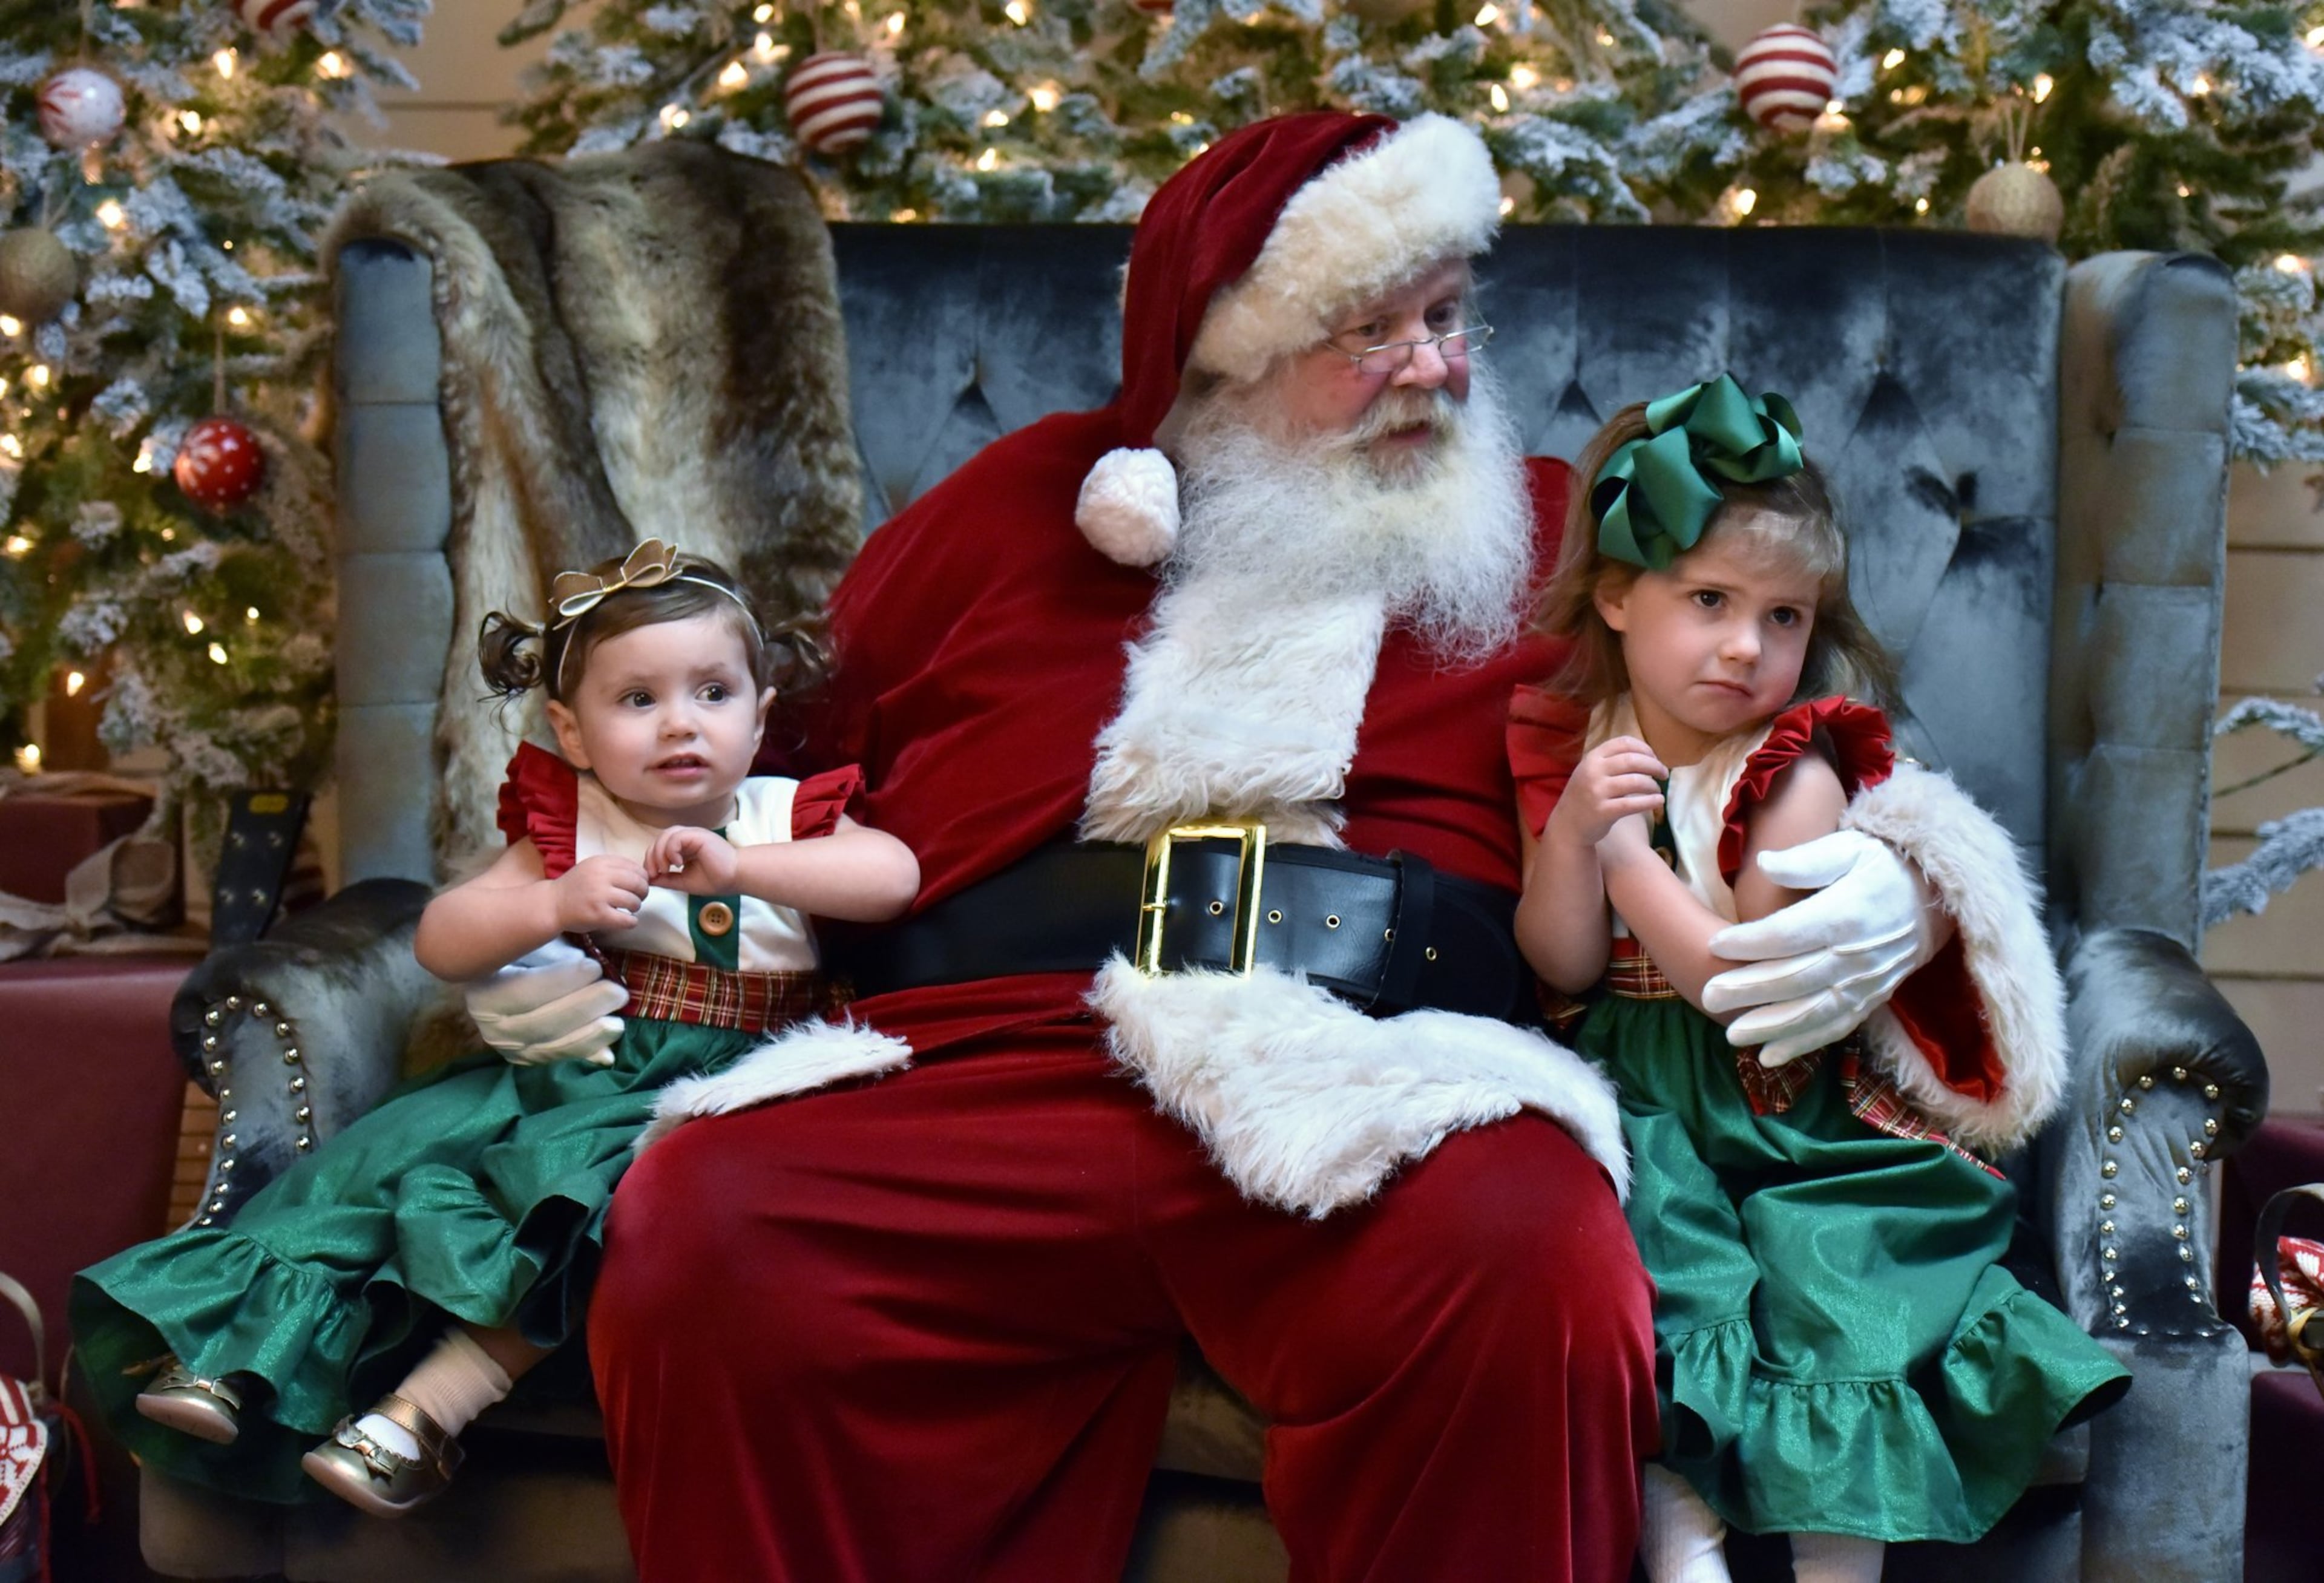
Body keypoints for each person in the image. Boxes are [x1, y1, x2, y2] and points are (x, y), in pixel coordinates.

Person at [467, 113, 2067, 1582]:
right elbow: (745, 763)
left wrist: (1909, 874)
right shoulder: (1009, 513)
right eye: (1370, 331)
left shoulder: (1551, 533)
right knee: (711, 1228)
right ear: (1223, 354)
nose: (1433, 367)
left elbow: (1764, 713)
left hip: (1396, 1067)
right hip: (983, 1056)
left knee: (1532, 1252)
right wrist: (556, 917)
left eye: (1448, 316)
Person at [71, 542, 918, 1518]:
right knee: (381, 1157)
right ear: (572, 731)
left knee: (567, 1205)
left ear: (759, 716)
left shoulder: (784, 817)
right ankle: (230, 1357)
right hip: (575, 1065)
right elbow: (443, 938)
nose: (681, 723)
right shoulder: (571, 827)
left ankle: (418, 1420)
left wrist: (743, 871)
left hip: (713, 1087)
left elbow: (892, 878)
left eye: (714, 693)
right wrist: (551, 904)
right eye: (637, 700)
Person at [1509, 381, 2130, 1582]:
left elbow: (1737, 987)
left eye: (1784, 615)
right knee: (1658, 1274)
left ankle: (1837, 1565)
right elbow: (1563, 963)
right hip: (1640, 1095)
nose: (1749, 646)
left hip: (1785, 1108)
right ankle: (1681, 1531)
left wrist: (1626, 860)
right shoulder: (1568, 740)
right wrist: (1575, 838)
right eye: (1710, 601)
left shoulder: (1794, 768)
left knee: (1832, 1301)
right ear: (1619, 596)